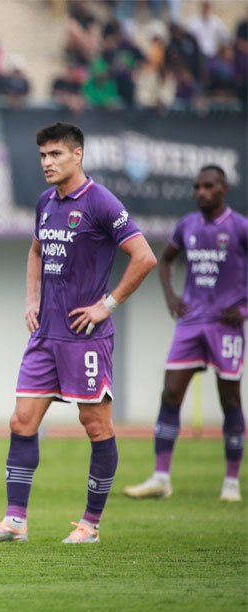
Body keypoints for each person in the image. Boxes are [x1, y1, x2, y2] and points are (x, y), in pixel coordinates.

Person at [0, 122, 157, 545]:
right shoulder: (45, 203)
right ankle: (15, 522)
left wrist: (106, 306)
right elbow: (36, 251)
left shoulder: (102, 202)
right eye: (42, 156)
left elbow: (144, 257)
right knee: (21, 421)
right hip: (45, 336)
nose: (47, 163)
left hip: (85, 338)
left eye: (55, 155)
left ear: (78, 155)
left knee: (95, 425)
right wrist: (31, 298)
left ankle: (90, 525)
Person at [125, 166, 246, 503]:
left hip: (226, 325)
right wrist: (171, 297)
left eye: (208, 186)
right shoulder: (187, 224)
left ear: (223, 188)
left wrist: (245, 309)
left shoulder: (240, 227)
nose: (201, 192)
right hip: (191, 322)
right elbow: (165, 260)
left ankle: (231, 483)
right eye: (197, 187)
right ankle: (161, 477)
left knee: (230, 400)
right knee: (170, 394)